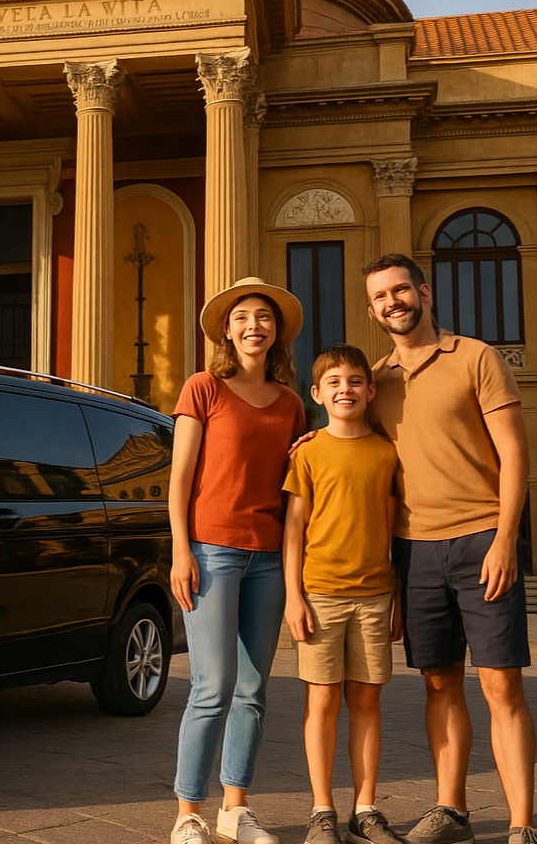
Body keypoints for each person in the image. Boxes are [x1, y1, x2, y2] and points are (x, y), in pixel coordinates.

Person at [363, 253, 537, 844]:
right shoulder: (376, 379)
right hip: (413, 552)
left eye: (401, 290)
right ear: (372, 309)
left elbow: (514, 452)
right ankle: (452, 810)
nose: (394, 301)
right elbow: (354, 448)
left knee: (501, 684)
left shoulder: (477, 357)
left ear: (425, 291)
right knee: (439, 683)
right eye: (381, 296)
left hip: (481, 540)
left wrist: (506, 540)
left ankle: (521, 826)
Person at [168, 277, 307, 844]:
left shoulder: (292, 403)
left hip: (270, 556)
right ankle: (187, 815)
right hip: (211, 550)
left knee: (253, 690)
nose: (255, 326)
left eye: (265, 318)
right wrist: (180, 549)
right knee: (212, 686)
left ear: (277, 333)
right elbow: (179, 477)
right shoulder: (204, 388)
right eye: (244, 317)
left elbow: (295, 480)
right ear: (227, 330)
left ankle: (236, 809)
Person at [281, 344, 407, 844]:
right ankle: (321, 810)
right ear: (317, 394)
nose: (345, 390)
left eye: (355, 381)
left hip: (376, 596)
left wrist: (397, 593)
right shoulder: (308, 452)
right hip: (320, 596)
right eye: (334, 383)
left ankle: (367, 808)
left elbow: (398, 527)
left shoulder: (386, 452)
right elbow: (293, 530)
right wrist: (294, 595)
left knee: (368, 703)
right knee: (321, 705)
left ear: (371, 391)